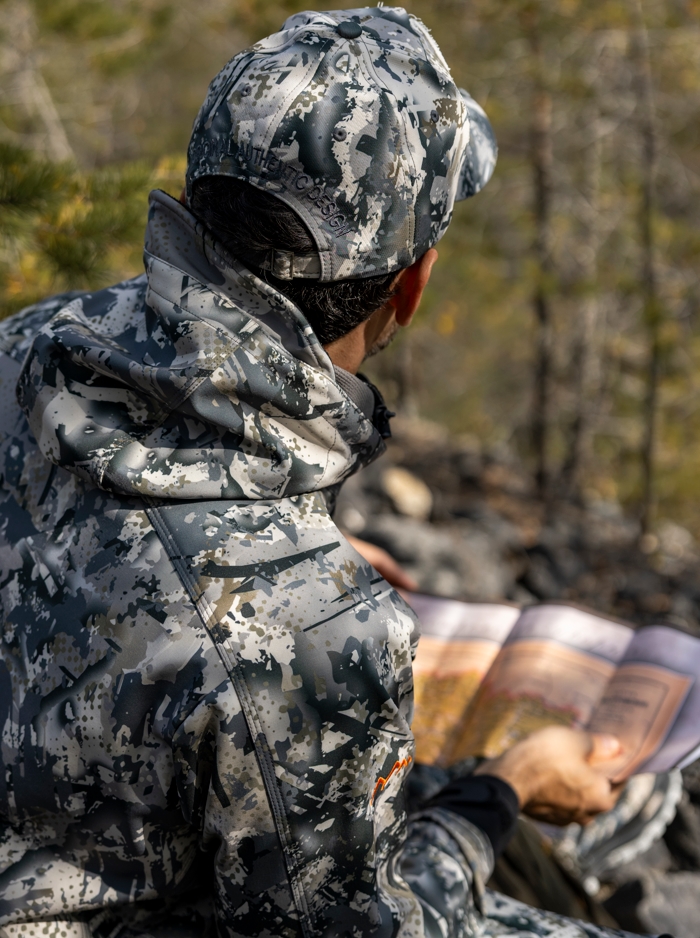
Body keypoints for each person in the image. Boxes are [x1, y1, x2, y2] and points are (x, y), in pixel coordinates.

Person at [0, 7, 648, 938]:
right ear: (412, 285)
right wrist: (498, 795)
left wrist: (306, 553)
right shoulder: (313, 637)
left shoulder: (32, 343)